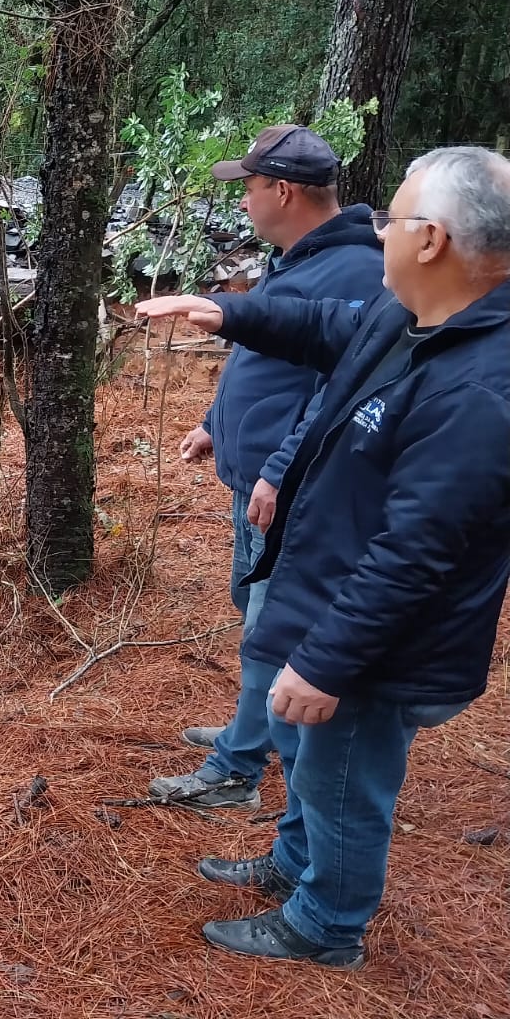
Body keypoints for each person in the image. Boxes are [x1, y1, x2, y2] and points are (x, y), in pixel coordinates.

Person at [136, 145, 510, 967]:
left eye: (393, 219)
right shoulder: (411, 317)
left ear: (433, 240)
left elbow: (415, 555)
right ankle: (295, 863)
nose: (377, 233)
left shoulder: (479, 389)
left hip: (381, 644)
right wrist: (226, 312)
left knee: (344, 781)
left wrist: (328, 662)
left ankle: (326, 926)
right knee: (312, 764)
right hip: (333, 599)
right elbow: (326, 329)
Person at [150, 124, 383, 808]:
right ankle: (253, 728)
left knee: (269, 627)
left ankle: (237, 770)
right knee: (254, 612)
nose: (243, 201)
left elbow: (337, 392)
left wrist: (281, 470)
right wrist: (214, 423)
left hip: (290, 491)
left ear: (283, 191)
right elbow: (268, 355)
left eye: (249, 186)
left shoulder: (356, 271)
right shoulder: (298, 257)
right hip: (256, 481)